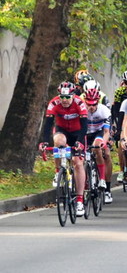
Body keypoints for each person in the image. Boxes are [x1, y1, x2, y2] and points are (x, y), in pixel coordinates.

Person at [41, 82, 89, 216]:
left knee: (78, 163)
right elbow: (48, 125)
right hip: (62, 131)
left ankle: (79, 201)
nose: (65, 100)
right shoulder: (54, 104)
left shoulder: (80, 103)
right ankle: (58, 171)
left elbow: (85, 126)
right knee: (58, 141)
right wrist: (44, 142)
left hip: (78, 132)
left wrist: (79, 141)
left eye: (68, 97)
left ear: (73, 95)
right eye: (62, 97)